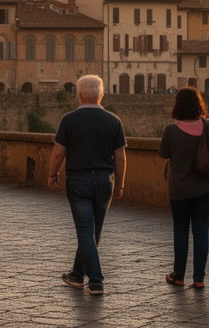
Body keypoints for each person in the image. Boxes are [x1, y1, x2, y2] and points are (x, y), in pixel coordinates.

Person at [48, 74, 126, 296]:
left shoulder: (69, 120)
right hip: (104, 180)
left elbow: (58, 152)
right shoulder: (114, 120)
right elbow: (120, 157)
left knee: (84, 231)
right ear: (101, 95)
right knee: (93, 232)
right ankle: (76, 274)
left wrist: (52, 174)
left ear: (80, 95)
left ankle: (96, 281)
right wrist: (120, 183)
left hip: (78, 180)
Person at [159, 87, 209, 289]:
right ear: (199, 105)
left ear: (177, 106)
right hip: (207, 188)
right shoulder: (208, 127)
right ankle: (199, 279)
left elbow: (163, 153)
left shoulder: (171, 130)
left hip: (180, 189)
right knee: (201, 231)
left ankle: (178, 276)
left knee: (181, 231)